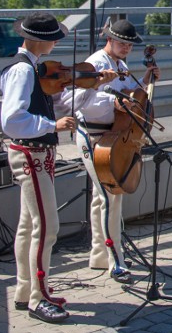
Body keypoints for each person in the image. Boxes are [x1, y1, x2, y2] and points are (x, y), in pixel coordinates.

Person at [63, 19, 159, 284]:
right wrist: (113, 101)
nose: (126, 48)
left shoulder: (121, 65)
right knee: (109, 195)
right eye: (122, 43)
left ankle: (100, 253)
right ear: (109, 39)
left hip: (114, 135)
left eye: (129, 44)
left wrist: (146, 80)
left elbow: (130, 94)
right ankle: (115, 257)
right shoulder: (95, 63)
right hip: (93, 134)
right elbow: (75, 101)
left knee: (105, 196)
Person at [0, 12, 76, 324]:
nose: (56, 41)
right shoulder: (23, 71)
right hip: (31, 154)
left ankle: (25, 289)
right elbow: (12, 120)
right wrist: (52, 123)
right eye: (53, 37)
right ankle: (38, 298)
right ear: (40, 40)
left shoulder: (28, 67)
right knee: (47, 226)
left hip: (33, 153)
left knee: (29, 224)